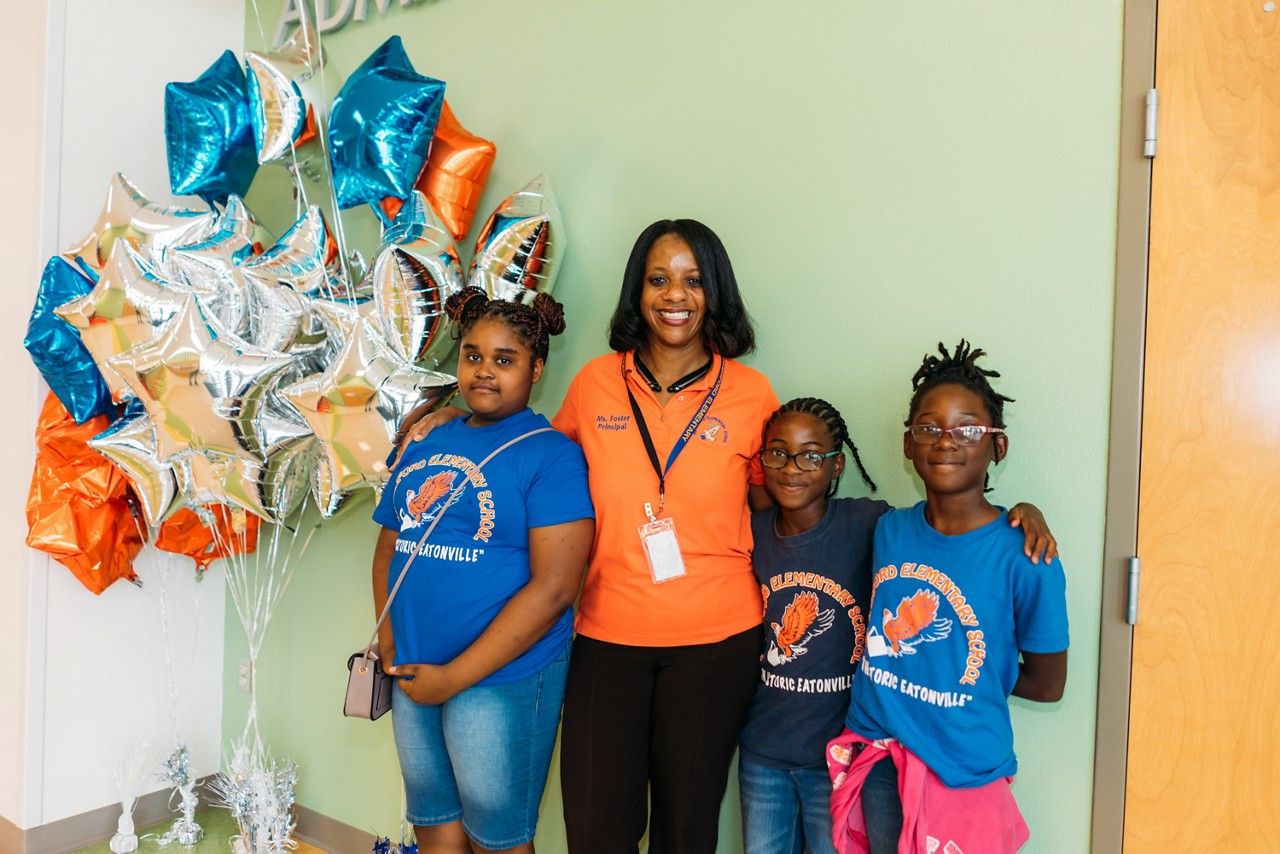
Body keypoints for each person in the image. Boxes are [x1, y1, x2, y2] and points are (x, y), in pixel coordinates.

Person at [395, 218, 779, 852]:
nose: (674, 296)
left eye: (692, 281)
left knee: (687, 829)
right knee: (598, 829)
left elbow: (777, 510)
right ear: (637, 290)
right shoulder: (597, 382)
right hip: (606, 636)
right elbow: (525, 449)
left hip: (716, 641)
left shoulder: (750, 392)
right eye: (658, 279)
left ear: (715, 293)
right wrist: (449, 414)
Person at [739, 397, 1056, 854]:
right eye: (778, 454)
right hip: (766, 750)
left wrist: (1025, 510)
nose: (792, 467)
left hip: (841, 756)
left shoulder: (871, 524)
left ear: (836, 466)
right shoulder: (755, 531)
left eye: (811, 456)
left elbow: (950, 527)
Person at [370, 287, 595, 854]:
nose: (484, 372)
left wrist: (456, 676)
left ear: (536, 368)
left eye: (504, 359)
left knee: (498, 836)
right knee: (434, 820)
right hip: (415, 668)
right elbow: (388, 548)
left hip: (500, 680)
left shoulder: (550, 455)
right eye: (472, 356)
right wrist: (389, 641)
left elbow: (555, 588)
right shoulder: (428, 439)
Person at [829, 341, 1069, 854]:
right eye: (929, 427)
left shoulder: (1026, 554)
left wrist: (965, 671)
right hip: (882, 757)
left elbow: (1048, 685)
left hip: (963, 768)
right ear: (907, 444)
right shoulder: (888, 530)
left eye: (968, 429)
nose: (946, 440)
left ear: (997, 447)